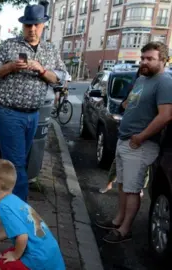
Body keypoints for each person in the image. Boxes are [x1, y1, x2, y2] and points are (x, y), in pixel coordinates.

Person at [0, 5, 67, 202]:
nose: (32, 29)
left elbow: (62, 77)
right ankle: (19, 210)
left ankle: (1, 201)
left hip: (33, 114)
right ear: (22, 25)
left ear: (43, 25)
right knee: (17, 164)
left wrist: (41, 70)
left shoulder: (50, 49)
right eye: (28, 25)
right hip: (8, 112)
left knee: (16, 161)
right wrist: (10, 67)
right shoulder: (9, 45)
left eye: (36, 25)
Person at [96, 42, 172, 244]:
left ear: (163, 60)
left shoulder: (165, 81)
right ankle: (117, 220)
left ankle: (125, 229)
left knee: (132, 189)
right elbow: (130, 101)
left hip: (140, 144)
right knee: (122, 185)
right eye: (143, 58)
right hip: (125, 140)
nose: (144, 62)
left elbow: (165, 116)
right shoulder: (142, 78)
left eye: (150, 59)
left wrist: (141, 136)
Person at [0, 159, 65, 270]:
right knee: (0, 256)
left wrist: (15, 255)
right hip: (48, 252)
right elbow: (12, 229)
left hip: (38, 259)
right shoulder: (13, 199)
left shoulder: (3, 207)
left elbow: (22, 236)